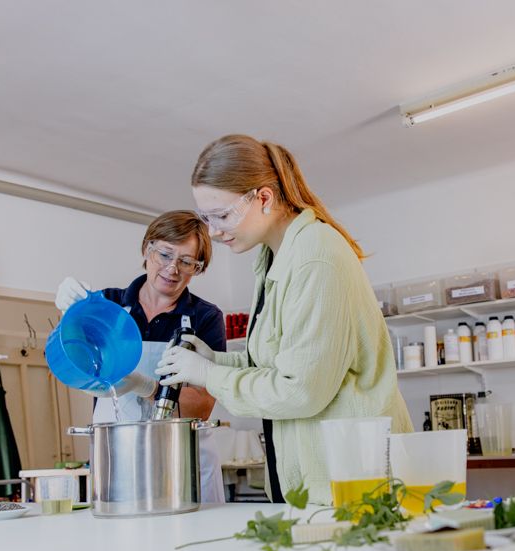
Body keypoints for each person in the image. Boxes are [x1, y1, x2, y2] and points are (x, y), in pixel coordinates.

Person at [155, 135, 413, 505]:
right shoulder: (274, 256)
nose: (213, 231)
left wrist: (209, 376)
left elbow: (301, 390)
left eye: (222, 216)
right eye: (206, 218)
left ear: (263, 198)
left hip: (354, 479)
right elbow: (277, 361)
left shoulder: (315, 256)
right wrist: (213, 359)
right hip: (318, 480)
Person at [56, 210, 226, 502]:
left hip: (184, 466)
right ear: (147, 249)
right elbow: (72, 362)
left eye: (186, 261)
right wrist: (68, 317)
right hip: (117, 461)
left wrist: (144, 386)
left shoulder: (205, 318)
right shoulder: (108, 305)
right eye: (164, 254)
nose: (173, 268)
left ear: (197, 268)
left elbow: (201, 408)